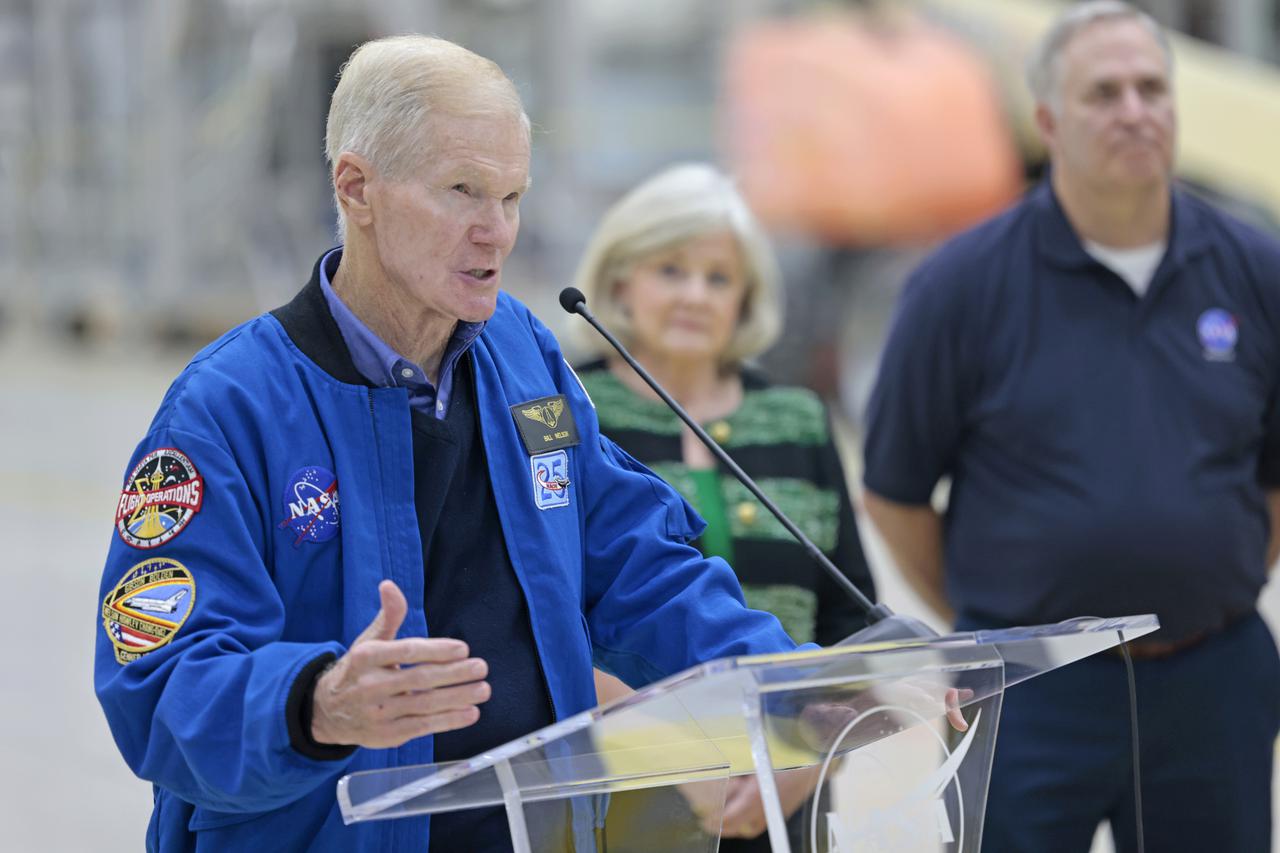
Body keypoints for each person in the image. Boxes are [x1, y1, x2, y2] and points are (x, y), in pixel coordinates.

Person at [93, 36, 808, 853]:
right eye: (463, 191)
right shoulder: (224, 411)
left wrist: (784, 679)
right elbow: (156, 687)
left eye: (512, 196)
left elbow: (629, 556)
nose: (496, 233)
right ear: (357, 188)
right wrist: (315, 701)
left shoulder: (522, 358)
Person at [862, 3, 1280, 851]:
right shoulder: (959, 288)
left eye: (1151, 88)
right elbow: (895, 492)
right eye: (1104, 93)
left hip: (1214, 679)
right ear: (1048, 120)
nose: (1134, 109)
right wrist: (1015, 627)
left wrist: (1201, 574)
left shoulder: (1255, 269)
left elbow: (1275, 476)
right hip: (1031, 694)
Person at [572, 162, 878, 848]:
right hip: (622, 788)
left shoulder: (797, 418)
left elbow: (849, 614)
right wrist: (669, 751)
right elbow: (548, 614)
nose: (695, 295)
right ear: (620, 280)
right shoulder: (567, 413)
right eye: (671, 270)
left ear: (746, 298)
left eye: (718, 278)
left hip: (786, 788)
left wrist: (808, 749)